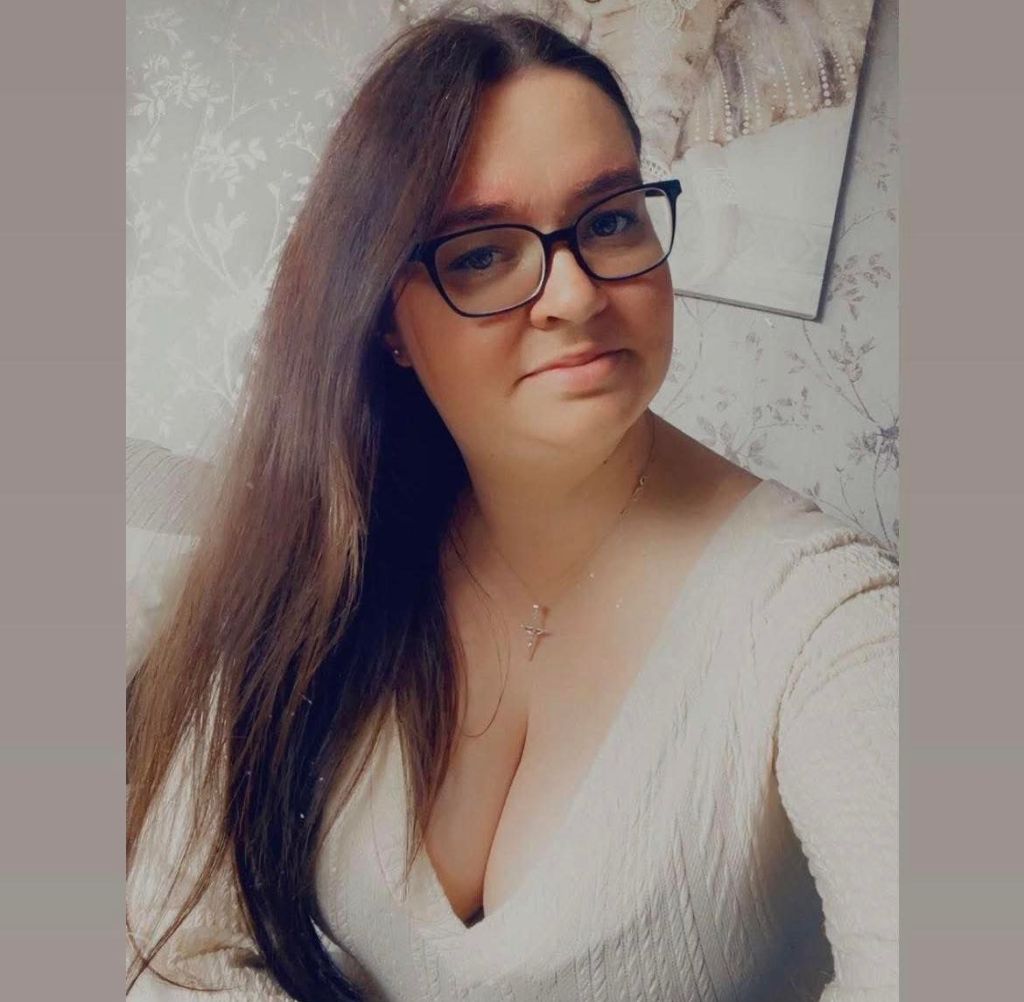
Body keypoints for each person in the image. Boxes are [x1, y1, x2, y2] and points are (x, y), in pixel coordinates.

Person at [126, 8, 897, 1002]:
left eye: (609, 220)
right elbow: (179, 937)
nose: (574, 295)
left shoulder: (832, 621)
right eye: (482, 253)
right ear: (387, 317)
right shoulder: (337, 540)